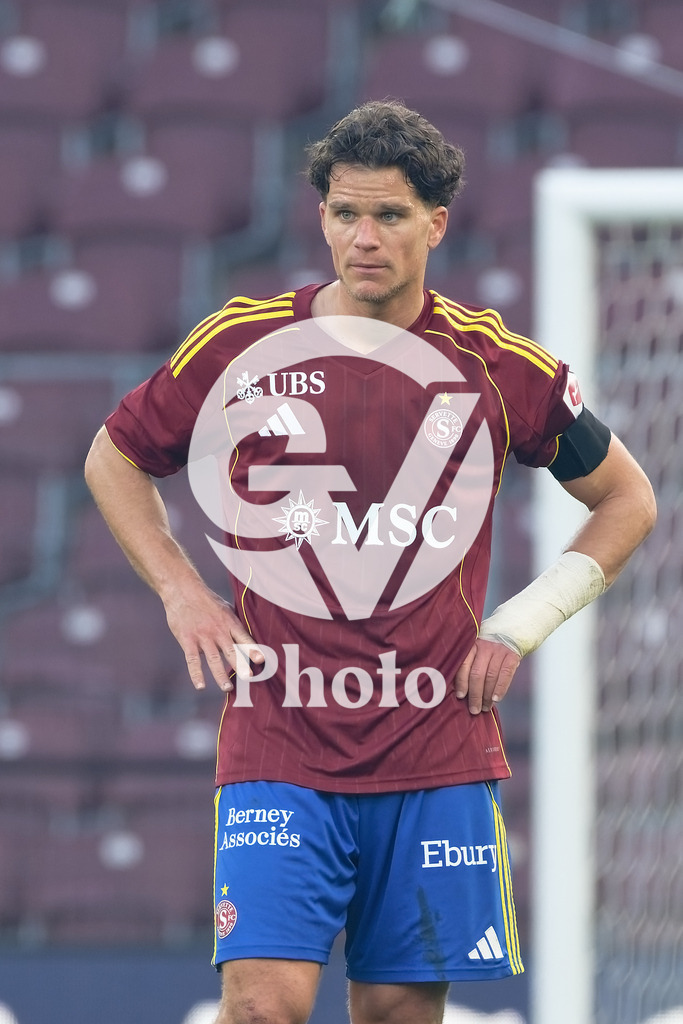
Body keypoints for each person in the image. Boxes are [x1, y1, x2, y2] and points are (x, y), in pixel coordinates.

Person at [84, 101, 656, 1024]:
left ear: (435, 222)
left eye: (389, 215)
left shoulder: (495, 364)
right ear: (320, 218)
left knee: (396, 1011)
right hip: (281, 737)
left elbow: (627, 501)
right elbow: (112, 457)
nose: (364, 237)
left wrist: (521, 624)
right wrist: (181, 591)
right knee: (264, 1006)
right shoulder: (241, 341)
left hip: (434, 744)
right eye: (345, 213)